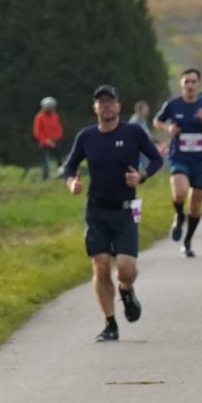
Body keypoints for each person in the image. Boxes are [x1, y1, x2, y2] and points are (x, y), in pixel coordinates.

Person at [60, 84, 163, 341]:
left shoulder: (133, 133)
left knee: (125, 269)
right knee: (101, 265)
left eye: (110, 101)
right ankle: (110, 323)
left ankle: (126, 290)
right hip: (96, 210)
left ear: (119, 106)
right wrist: (72, 183)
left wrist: (141, 176)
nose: (106, 106)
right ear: (95, 108)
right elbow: (68, 167)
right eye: (101, 102)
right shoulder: (86, 137)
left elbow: (156, 159)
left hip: (126, 210)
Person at [154, 67, 202, 257]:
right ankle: (179, 215)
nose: (190, 85)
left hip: (200, 160)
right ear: (181, 85)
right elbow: (157, 121)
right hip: (179, 157)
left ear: (199, 85)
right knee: (180, 192)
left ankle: (188, 241)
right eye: (186, 82)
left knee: (196, 206)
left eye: (193, 82)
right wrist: (168, 128)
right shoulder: (173, 105)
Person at [32, 96, 64, 181]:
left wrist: (57, 137)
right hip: (44, 142)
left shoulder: (55, 115)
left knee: (59, 158)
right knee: (45, 159)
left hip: (55, 141)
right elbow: (37, 132)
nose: (53, 108)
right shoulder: (39, 116)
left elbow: (58, 128)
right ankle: (46, 175)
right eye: (51, 107)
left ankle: (61, 173)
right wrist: (46, 140)